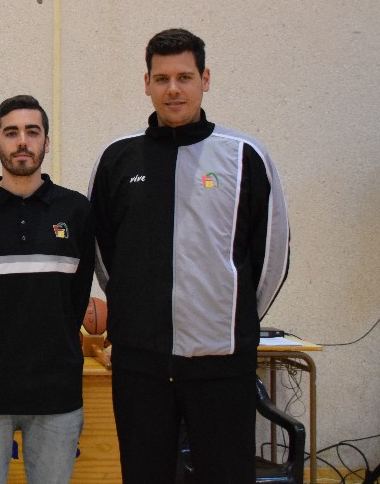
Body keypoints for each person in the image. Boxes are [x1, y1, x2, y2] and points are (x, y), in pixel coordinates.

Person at [89, 29, 290, 484]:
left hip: (222, 361)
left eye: (184, 76)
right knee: (144, 474)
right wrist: (135, 310)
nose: (173, 89)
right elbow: (102, 254)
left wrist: (234, 319)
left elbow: (272, 254)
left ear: (205, 79)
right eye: (162, 78)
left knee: (225, 474)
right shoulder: (117, 158)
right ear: (146, 83)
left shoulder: (244, 157)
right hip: (141, 363)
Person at [0, 95, 94, 484]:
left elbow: (75, 301)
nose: (22, 141)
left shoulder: (76, 211)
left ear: (47, 141)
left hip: (56, 397)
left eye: (32, 131)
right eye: (11, 133)